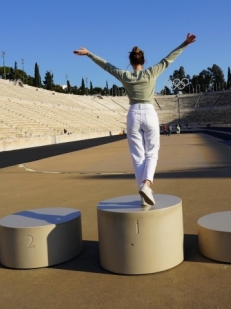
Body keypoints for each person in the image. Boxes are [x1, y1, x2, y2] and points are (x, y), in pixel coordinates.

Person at [74, 33, 196, 206]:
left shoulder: (125, 75)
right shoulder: (152, 72)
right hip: (149, 112)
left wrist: (89, 54)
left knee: (138, 156)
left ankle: (143, 196)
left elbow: (107, 66)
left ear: (131, 62)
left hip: (132, 114)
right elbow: (169, 59)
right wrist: (185, 43)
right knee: (152, 152)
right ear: (143, 61)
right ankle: (147, 185)